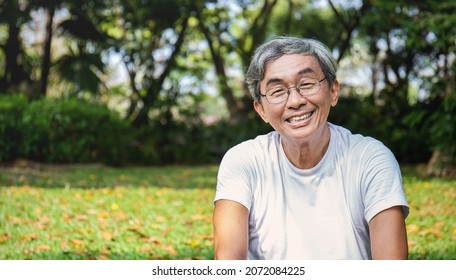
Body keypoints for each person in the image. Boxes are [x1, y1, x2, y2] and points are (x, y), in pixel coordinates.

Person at [213, 36, 409, 260]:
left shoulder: (371, 158)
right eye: (277, 91)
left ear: (333, 91)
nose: (295, 101)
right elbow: (228, 265)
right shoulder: (243, 161)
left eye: (307, 84)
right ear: (261, 110)